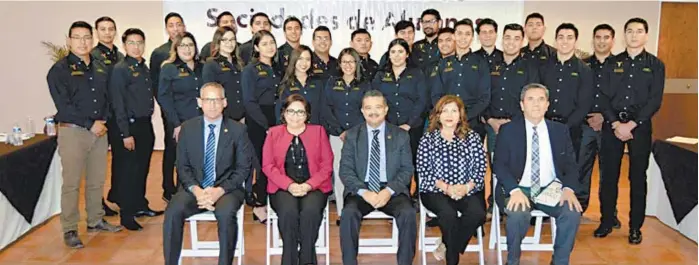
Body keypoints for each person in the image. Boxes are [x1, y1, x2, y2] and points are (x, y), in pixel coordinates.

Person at [47, 21, 122, 249]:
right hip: (74, 132)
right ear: (69, 40)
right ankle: (70, 228)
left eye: (86, 37)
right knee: (71, 183)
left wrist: (104, 121)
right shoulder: (59, 71)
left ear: (92, 39)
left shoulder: (100, 65)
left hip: (100, 131)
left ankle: (95, 220)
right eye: (77, 37)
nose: (83, 42)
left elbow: (109, 97)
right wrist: (90, 124)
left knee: (96, 180)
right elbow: (64, 106)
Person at [162, 82, 252, 265]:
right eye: (208, 100)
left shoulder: (238, 130)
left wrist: (219, 190)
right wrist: (197, 191)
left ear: (225, 102)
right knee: (173, 211)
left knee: (226, 214)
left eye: (217, 100)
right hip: (194, 189)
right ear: (199, 102)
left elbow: (243, 168)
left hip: (227, 189)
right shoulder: (187, 128)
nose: (212, 105)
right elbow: (182, 166)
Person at [494, 83, 582, 265]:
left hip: (550, 188)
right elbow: (499, 165)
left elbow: (571, 165)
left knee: (571, 212)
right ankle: (513, 261)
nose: (536, 104)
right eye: (531, 99)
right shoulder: (508, 130)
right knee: (517, 214)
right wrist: (514, 190)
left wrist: (569, 188)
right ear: (522, 104)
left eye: (541, 99)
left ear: (548, 105)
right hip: (519, 188)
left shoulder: (559, 130)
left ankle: (560, 261)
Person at [596, 18, 665, 245]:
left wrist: (633, 124)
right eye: (629, 31)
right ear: (624, 35)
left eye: (639, 31)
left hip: (640, 128)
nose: (634, 35)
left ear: (646, 35)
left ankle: (635, 227)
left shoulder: (655, 65)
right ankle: (606, 221)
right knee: (608, 176)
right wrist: (616, 123)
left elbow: (655, 100)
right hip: (612, 127)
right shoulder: (611, 63)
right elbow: (603, 97)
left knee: (637, 177)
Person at [339, 90, 417, 265]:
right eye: (368, 108)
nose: (373, 112)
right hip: (362, 189)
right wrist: (364, 192)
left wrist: (388, 191)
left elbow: (406, 169)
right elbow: (345, 170)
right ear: (362, 111)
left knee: (408, 214)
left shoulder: (400, 135)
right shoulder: (352, 135)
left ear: (386, 109)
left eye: (378, 107)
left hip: (392, 189)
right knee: (348, 214)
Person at [263, 94, 333, 265]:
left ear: (307, 115)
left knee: (310, 213)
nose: (295, 116)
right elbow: (268, 166)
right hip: (282, 187)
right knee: (288, 213)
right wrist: (289, 185)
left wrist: (309, 185)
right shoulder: (273, 133)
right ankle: (289, 259)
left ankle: (307, 259)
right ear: (284, 114)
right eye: (291, 111)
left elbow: (327, 165)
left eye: (300, 112)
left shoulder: (318, 131)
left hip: (314, 186)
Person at [417, 95, 487, 264]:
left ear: (460, 114)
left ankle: (447, 244)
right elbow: (424, 170)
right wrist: (447, 188)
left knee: (478, 214)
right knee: (448, 215)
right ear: (438, 115)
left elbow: (480, 168)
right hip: (435, 190)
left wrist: (466, 188)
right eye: (445, 111)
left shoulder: (473, 138)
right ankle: (452, 259)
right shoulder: (428, 139)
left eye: (454, 111)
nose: (449, 115)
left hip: (467, 189)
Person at [108, 28, 163, 230]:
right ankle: (127, 215)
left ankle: (140, 205)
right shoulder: (120, 69)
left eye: (140, 42)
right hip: (129, 125)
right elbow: (118, 103)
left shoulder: (143, 67)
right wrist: (125, 133)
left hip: (144, 123)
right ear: (124, 45)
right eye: (131, 43)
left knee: (142, 168)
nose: (136, 46)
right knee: (128, 172)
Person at [483, 23, 539, 218]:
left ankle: (516, 202)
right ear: (502, 39)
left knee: (515, 164)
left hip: (517, 127)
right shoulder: (490, 65)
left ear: (522, 41)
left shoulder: (529, 67)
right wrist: (490, 119)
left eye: (516, 38)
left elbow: (532, 98)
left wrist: (513, 123)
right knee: (495, 164)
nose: (511, 42)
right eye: (508, 37)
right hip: (492, 126)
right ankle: (494, 204)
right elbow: (484, 94)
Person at [372, 39, 428, 198]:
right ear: (388, 55)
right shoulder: (381, 75)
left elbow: (421, 100)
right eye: (393, 52)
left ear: (407, 54)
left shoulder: (416, 73)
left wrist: (409, 124)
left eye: (401, 52)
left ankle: (414, 197)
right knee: (388, 163)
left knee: (411, 163)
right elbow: (374, 99)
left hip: (412, 128)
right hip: (386, 127)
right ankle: (389, 196)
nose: (397, 56)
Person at [322, 47, 372, 222]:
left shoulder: (365, 84)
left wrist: (353, 132)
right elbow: (326, 108)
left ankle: (359, 209)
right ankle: (343, 212)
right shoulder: (331, 82)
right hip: (337, 135)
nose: (348, 65)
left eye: (351, 61)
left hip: (360, 135)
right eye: (344, 62)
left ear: (357, 63)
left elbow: (368, 108)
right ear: (340, 64)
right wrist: (340, 131)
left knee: (359, 172)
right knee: (339, 171)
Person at [157, 32, 206, 200]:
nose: (187, 49)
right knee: (183, 163)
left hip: (202, 122)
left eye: (190, 45)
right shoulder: (169, 68)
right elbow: (164, 97)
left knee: (199, 161)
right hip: (180, 123)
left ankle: (198, 196)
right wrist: (176, 124)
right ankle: (182, 199)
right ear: (176, 48)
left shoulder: (203, 67)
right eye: (183, 45)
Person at [242, 30, 281, 223]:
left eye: (272, 43)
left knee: (276, 164)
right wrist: (266, 125)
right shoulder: (250, 70)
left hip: (278, 119)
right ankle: (259, 206)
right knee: (262, 163)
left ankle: (273, 203)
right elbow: (249, 101)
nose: (270, 47)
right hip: (259, 121)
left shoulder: (279, 68)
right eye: (264, 44)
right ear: (256, 47)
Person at [430, 19, 490, 141]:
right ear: (454, 36)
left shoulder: (481, 63)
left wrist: (463, 117)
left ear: (473, 37)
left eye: (467, 34)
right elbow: (436, 94)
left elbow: (484, 97)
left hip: (471, 123)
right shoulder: (443, 63)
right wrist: (447, 115)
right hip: (445, 123)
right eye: (460, 33)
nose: (463, 37)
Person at [580, 24, 616, 219]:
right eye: (598, 37)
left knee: (608, 171)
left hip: (610, 126)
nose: (602, 41)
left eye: (606, 37)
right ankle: (578, 209)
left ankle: (609, 214)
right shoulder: (583, 65)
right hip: (585, 125)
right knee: (581, 169)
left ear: (612, 40)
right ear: (593, 39)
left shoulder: (620, 66)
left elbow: (621, 96)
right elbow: (577, 95)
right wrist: (589, 117)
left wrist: (605, 117)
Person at [151, 12, 186, 202]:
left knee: (187, 149)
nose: (176, 28)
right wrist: (167, 110)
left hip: (188, 111)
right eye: (171, 25)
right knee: (171, 148)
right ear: (166, 29)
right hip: (170, 111)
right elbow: (156, 86)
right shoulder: (159, 53)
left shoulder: (189, 50)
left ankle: (184, 186)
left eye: (179, 24)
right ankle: (168, 188)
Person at [91, 15, 123, 217]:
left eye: (111, 29)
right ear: (97, 32)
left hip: (119, 115)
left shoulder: (119, 56)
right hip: (102, 116)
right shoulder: (92, 56)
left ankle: (118, 195)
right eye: (103, 29)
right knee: (98, 162)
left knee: (120, 159)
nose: (107, 32)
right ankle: (97, 203)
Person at [202, 26, 245, 123]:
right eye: (224, 40)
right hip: (223, 117)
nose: (229, 43)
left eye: (232, 40)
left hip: (243, 117)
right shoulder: (211, 64)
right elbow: (210, 93)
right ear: (218, 42)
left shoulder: (240, 62)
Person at [278, 45, 325, 125]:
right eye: (300, 59)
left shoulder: (318, 82)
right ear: (294, 60)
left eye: (307, 59)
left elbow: (324, 110)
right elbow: (280, 113)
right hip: (293, 131)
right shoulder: (286, 84)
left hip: (315, 130)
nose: (304, 63)